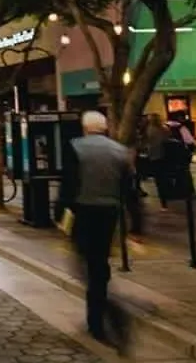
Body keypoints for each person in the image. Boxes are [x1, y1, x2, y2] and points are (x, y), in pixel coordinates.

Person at [65, 111, 133, 354]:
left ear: (85, 128)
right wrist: (134, 220)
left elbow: (69, 183)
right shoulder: (119, 151)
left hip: (84, 212)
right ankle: (97, 320)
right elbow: (128, 188)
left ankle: (110, 315)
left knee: (85, 265)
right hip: (109, 213)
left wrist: (61, 210)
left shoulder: (76, 147)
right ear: (104, 128)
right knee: (98, 264)